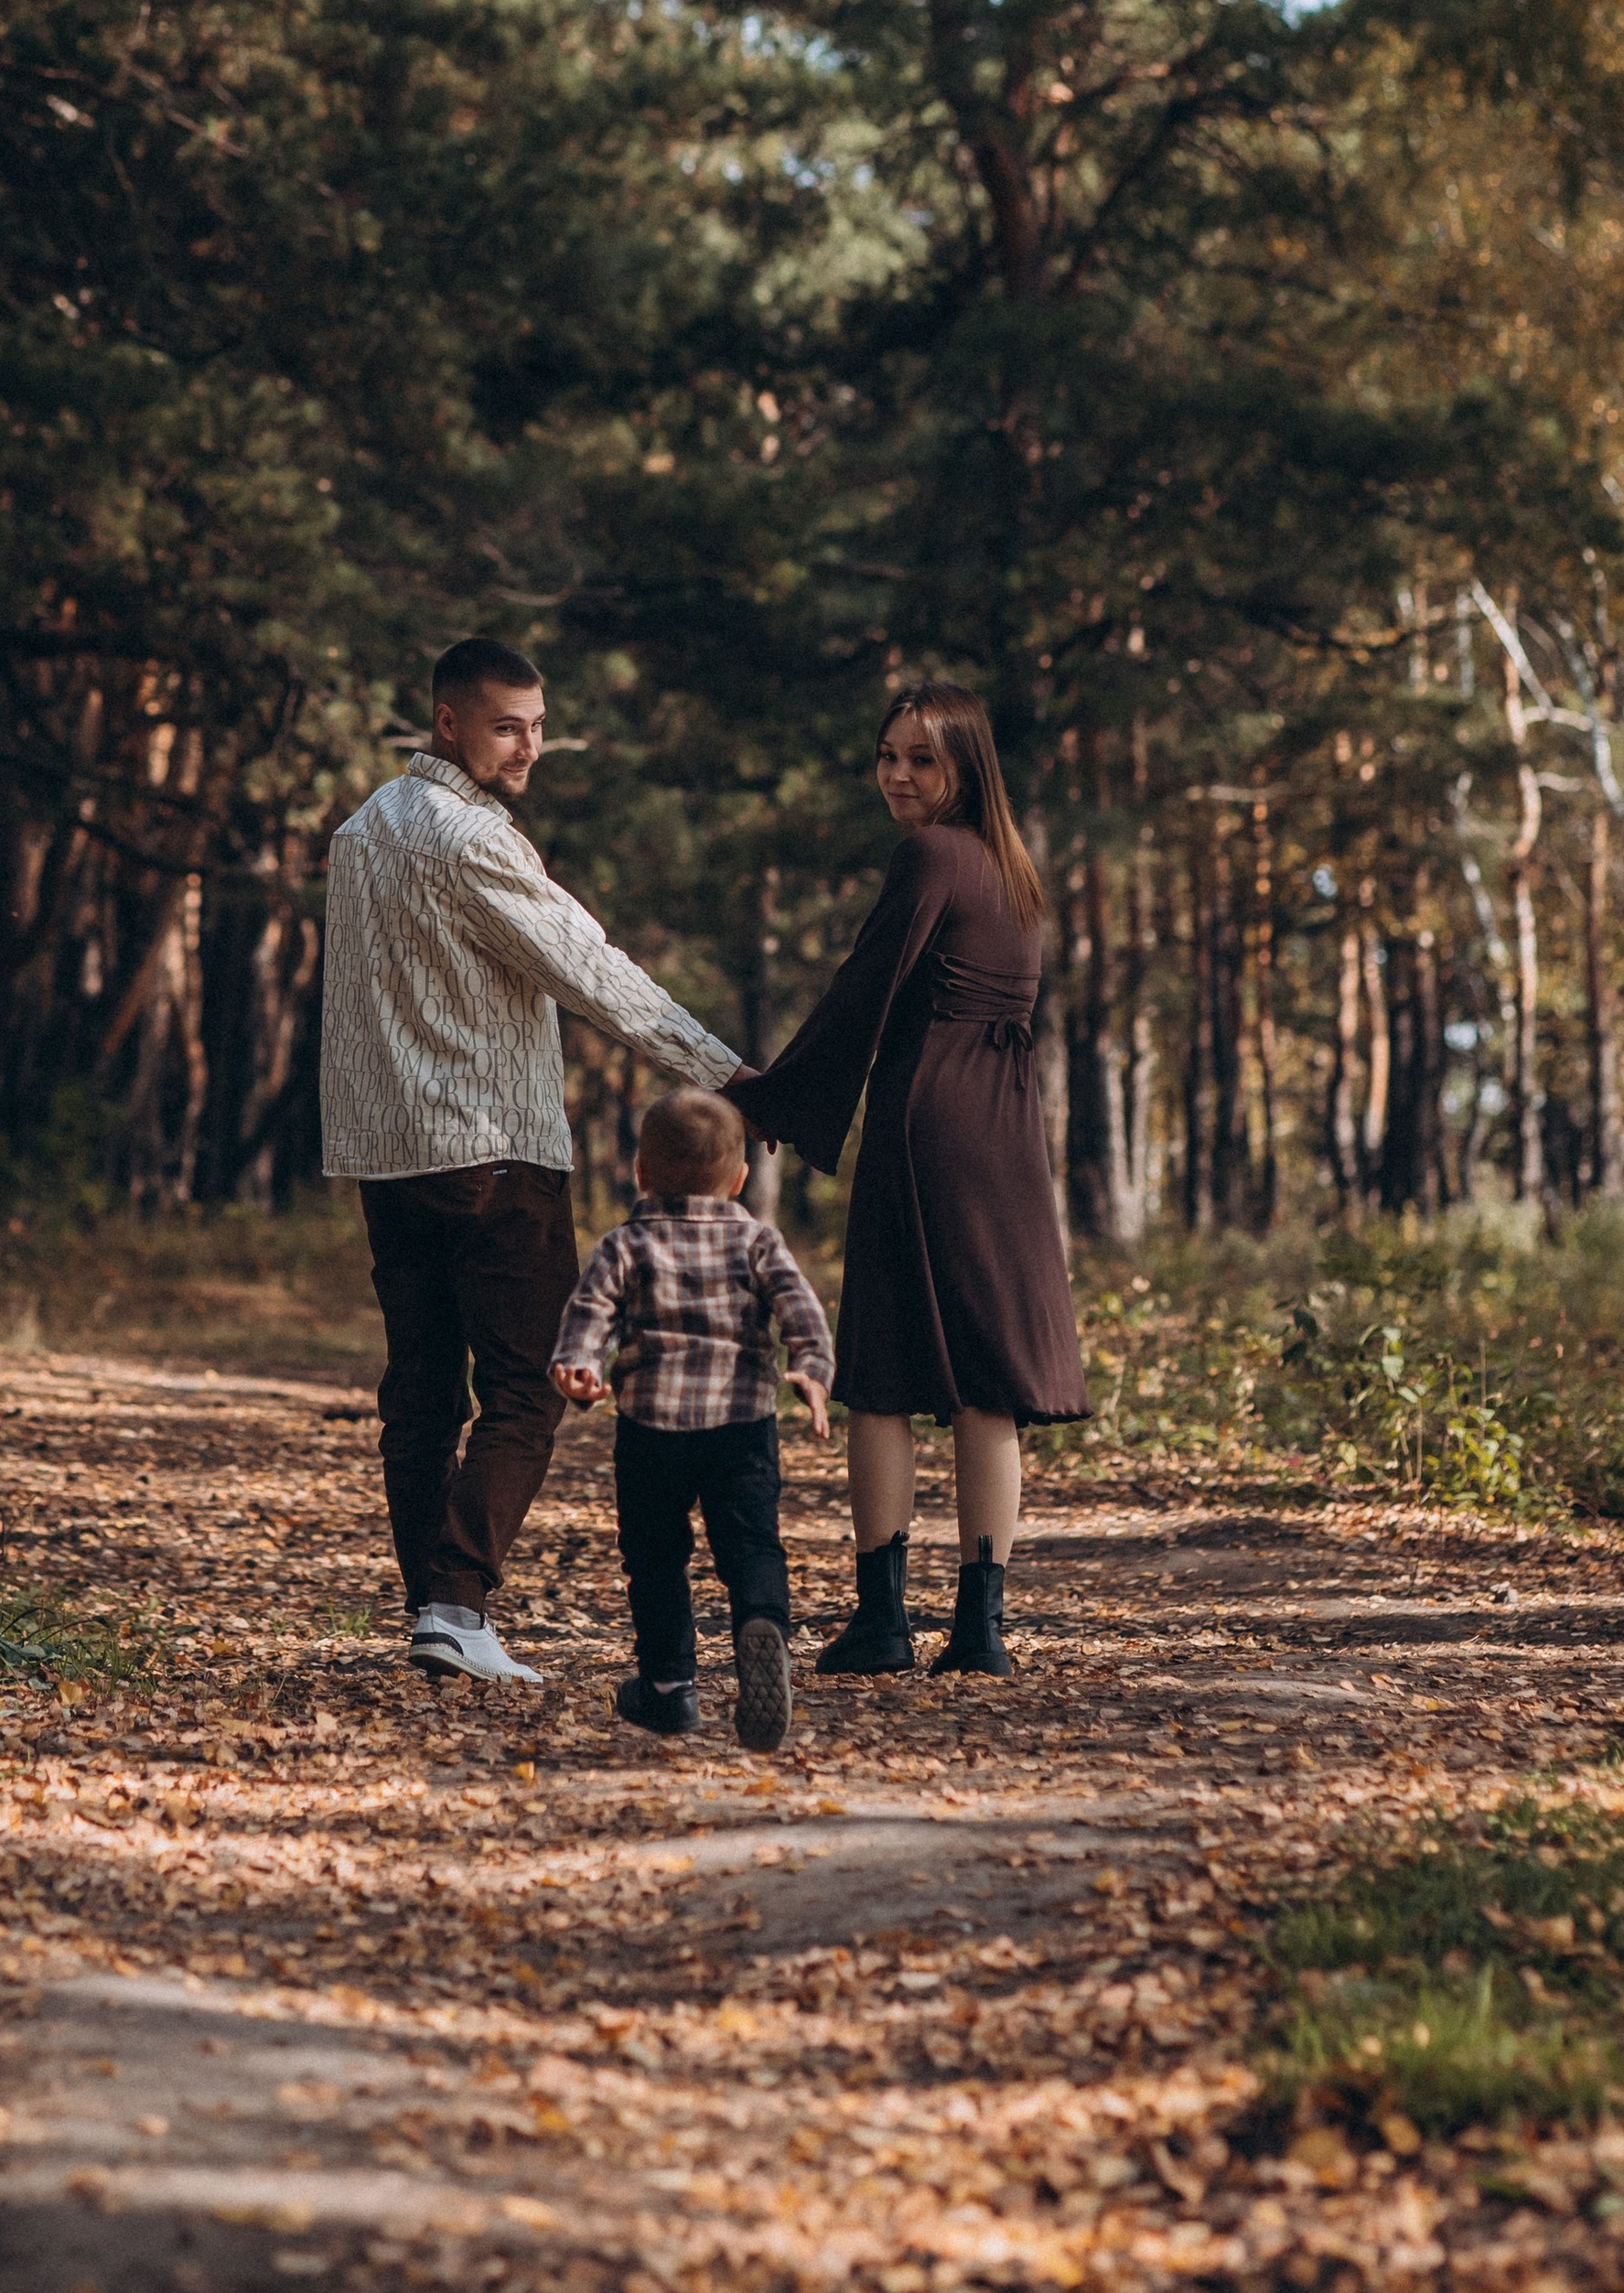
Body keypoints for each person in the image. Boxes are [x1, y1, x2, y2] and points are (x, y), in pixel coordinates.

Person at [322, 636, 743, 1688]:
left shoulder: (361, 829)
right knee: (527, 1387)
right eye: (507, 727)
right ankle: (455, 1605)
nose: (529, 749)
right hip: (490, 1153)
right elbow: (591, 971)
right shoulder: (472, 840)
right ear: (448, 723)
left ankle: (434, 1610)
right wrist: (726, 1077)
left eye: (538, 727)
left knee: (422, 1395)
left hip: (388, 1155)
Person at [726, 683, 1084, 1680]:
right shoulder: (1013, 870)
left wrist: (774, 1097)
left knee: (880, 1372)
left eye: (921, 759)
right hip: (1004, 1133)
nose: (897, 776)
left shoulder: (931, 856)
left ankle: (882, 1623)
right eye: (887, 755)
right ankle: (980, 1631)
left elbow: (865, 989)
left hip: (928, 1121)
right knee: (985, 1381)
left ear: (967, 766)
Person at [551, 1087, 834, 1751]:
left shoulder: (625, 1244)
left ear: (640, 1173)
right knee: (752, 1543)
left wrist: (579, 1368)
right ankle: (762, 1626)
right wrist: (812, 1372)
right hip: (742, 1423)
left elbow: (590, 1317)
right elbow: (801, 1311)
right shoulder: (757, 1240)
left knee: (654, 1556)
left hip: (651, 1428)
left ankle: (670, 1687)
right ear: (739, 1179)